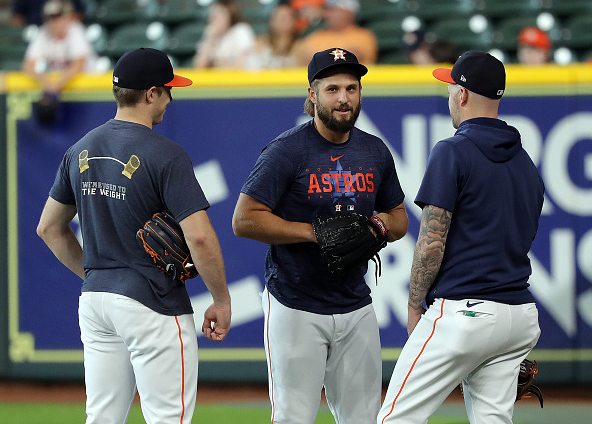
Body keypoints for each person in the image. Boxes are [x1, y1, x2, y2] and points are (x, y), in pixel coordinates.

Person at [37, 47, 232, 424]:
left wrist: (100, 277)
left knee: (103, 418)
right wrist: (221, 301)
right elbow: (201, 238)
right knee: (166, 419)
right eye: (168, 90)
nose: (171, 99)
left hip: (95, 303)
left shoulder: (79, 149)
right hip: (152, 304)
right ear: (151, 93)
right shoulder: (166, 154)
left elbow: (48, 227)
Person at [233, 47, 408, 424]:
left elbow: (399, 219)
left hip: (356, 305)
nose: (343, 98)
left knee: (363, 418)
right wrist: (315, 233)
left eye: (351, 88)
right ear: (313, 95)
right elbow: (244, 220)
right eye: (332, 89)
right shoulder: (287, 150)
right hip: (295, 304)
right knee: (294, 418)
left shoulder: (374, 151)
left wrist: (376, 227)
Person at [377, 51, 544, 423]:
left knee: (394, 418)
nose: (449, 95)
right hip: (519, 316)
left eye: (450, 87)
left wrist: (414, 306)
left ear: (463, 95)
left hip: (466, 312)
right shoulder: (526, 163)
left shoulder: (452, 150)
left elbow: (431, 242)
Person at [22, 0, 96, 124]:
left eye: (57, 17)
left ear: (68, 17)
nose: (53, 22)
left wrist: (54, 85)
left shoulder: (76, 30)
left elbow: (79, 65)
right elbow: (27, 65)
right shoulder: (43, 33)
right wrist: (46, 82)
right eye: (49, 18)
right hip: (65, 90)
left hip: (90, 92)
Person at [295, 0, 378, 65]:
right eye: (327, 10)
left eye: (334, 10)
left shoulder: (363, 36)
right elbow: (300, 59)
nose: (328, 14)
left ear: (349, 12)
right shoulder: (315, 37)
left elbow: (355, 58)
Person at [193, 0, 256, 69]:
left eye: (218, 15)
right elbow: (199, 67)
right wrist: (210, 40)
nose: (212, 19)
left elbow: (240, 66)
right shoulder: (210, 33)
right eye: (212, 15)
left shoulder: (241, 30)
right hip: (215, 79)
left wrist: (214, 65)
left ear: (229, 15)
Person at [247, 3, 300, 69]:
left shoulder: (300, 46)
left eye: (286, 18)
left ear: (293, 21)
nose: (283, 22)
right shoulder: (261, 43)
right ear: (271, 21)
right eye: (280, 18)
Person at [10, 0, 85, 26]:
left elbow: (78, 15)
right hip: (35, 31)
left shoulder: (75, 35)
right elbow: (16, 18)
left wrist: (60, 26)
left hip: (66, 36)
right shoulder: (42, 36)